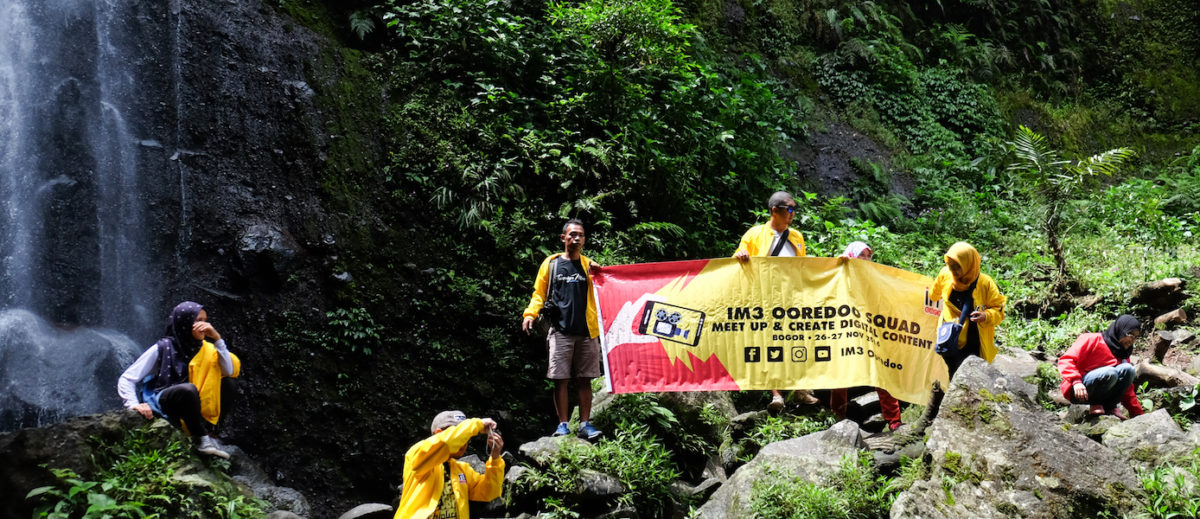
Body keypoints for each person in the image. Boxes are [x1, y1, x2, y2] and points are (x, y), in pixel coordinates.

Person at [117, 301, 239, 458]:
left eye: (205, 320)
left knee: (228, 384)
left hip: (195, 400)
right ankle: (202, 439)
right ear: (184, 323)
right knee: (187, 390)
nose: (204, 325)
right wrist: (133, 404)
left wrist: (217, 339)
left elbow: (229, 370)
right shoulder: (163, 347)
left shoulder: (207, 348)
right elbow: (127, 378)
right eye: (198, 321)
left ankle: (210, 433)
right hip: (168, 398)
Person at [733, 191, 817, 413]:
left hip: (792, 298)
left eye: (794, 210)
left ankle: (800, 389)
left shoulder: (796, 236)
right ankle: (777, 395)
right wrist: (740, 256)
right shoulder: (754, 234)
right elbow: (737, 261)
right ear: (774, 211)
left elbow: (803, 266)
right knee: (770, 345)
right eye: (789, 209)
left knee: (796, 342)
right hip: (765, 299)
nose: (792, 214)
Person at [521, 219, 604, 439]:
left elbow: (607, 289)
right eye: (573, 235)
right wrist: (530, 314)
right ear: (563, 238)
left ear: (584, 240)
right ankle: (563, 425)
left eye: (581, 235)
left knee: (585, 379)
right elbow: (539, 293)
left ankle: (585, 424)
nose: (577, 238)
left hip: (587, 331)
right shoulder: (551, 264)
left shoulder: (589, 266)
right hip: (560, 330)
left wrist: (600, 273)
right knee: (561, 379)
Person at [828, 242, 903, 431]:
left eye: (869, 256)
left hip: (870, 330)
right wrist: (841, 267)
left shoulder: (874, 277)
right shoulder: (840, 274)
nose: (867, 259)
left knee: (881, 372)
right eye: (862, 255)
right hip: (845, 331)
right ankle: (837, 418)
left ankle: (894, 420)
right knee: (841, 375)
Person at [394, 411, 505, 519]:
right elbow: (446, 443)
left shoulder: (462, 470)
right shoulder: (417, 455)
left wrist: (495, 459)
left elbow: (489, 491)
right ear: (438, 434)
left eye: (466, 437)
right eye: (461, 436)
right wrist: (476, 424)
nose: (464, 442)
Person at [928, 241, 1006, 378]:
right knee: (952, 372)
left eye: (957, 266)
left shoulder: (985, 284)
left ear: (969, 264)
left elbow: (998, 312)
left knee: (974, 375)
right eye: (950, 266)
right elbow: (933, 295)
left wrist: (986, 316)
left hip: (974, 341)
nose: (954, 271)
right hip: (950, 338)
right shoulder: (945, 274)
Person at [1058, 315, 1144, 420]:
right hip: (1078, 390)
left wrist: (1138, 415)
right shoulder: (1091, 339)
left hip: (1102, 389)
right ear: (1120, 330)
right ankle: (1096, 404)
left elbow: (1127, 390)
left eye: (1136, 337)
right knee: (1110, 372)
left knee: (1129, 369)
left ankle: (1110, 407)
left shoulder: (1123, 355)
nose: (1132, 340)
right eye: (1130, 334)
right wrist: (1076, 381)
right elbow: (1066, 360)